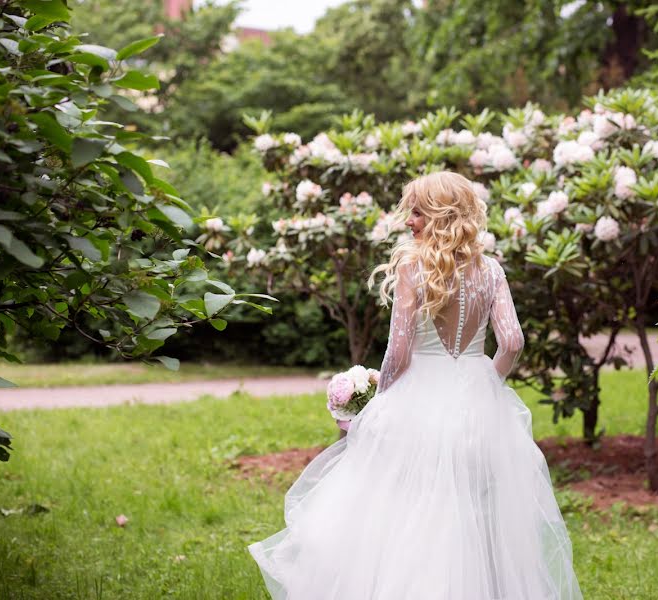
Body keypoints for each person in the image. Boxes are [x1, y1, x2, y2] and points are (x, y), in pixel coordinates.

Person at [248, 171, 583, 599]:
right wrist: (486, 380)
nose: (409, 220)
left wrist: (378, 401)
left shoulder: (413, 267)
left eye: (418, 212)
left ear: (442, 215)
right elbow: (513, 341)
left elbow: (399, 351)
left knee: (407, 512)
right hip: (477, 402)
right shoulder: (491, 270)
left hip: (417, 398)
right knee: (475, 513)